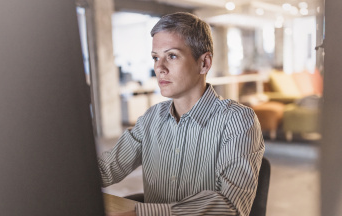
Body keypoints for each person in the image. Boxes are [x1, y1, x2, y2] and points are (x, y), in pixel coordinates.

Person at [99, 12, 265, 216]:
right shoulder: (151, 119)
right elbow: (106, 169)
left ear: (204, 63)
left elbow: (229, 206)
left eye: (172, 56)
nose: (159, 68)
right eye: (155, 57)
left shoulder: (238, 121)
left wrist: (141, 214)